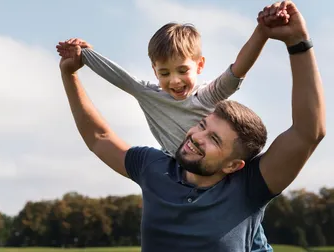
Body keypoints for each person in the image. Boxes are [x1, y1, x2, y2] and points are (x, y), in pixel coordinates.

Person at [57, 1, 325, 251]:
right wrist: (69, 74)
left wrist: (297, 42)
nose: (196, 137)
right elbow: (99, 137)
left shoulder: (249, 187)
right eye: (201, 124)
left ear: (234, 165)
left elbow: (307, 132)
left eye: (215, 140)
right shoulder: (153, 168)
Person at [57, 11, 288, 158]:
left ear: (199, 66)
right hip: (179, 171)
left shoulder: (207, 96)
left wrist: (262, 32)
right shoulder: (149, 94)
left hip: (225, 174)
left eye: (182, 70)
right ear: (154, 70)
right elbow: (118, 76)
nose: (174, 80)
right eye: (164, 72)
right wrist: (84, 54)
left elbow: (238, 69)